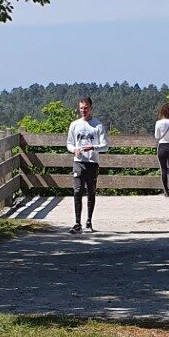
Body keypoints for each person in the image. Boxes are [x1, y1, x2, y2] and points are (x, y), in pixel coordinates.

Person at [65, 95, 108, 233]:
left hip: (92, 163)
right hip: (78, 162)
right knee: (77, 191)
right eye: (81, 108)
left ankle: (88, 221)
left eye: (86, 108)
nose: (83, 111)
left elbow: (105, 146)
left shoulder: (98, 125)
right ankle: (77, 223)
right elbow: (69, 143)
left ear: (91, 108)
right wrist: (74, 150)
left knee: (91, 192)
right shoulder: (74, 125)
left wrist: (93, 148)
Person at [153, 101, 169, 197]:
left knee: (163, 169)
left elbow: (157, 136)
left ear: (162, 112)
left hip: (162, 146)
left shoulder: (158, 123)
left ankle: (166, 192)